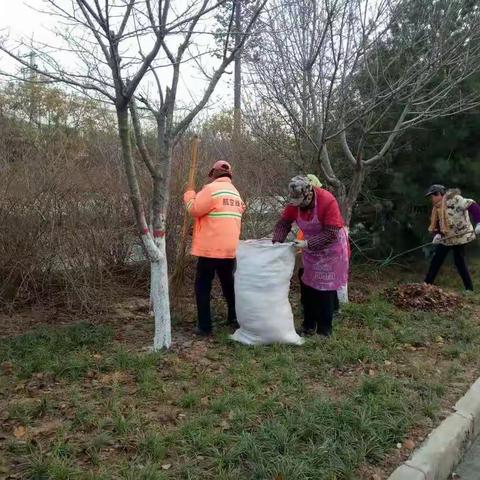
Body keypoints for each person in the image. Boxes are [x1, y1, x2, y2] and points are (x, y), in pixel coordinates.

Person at [272, 175, 349, 336]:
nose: (298, 206)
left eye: (301, 202)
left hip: (331, 249)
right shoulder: (295, 202)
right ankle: (308, 326)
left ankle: (324, 330)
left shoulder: (327, 200)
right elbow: (284, 222)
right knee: (308, 286)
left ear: (309, 194)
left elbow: (331, 233)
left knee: (324, 290)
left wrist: (308, 244)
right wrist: (277, 242)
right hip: (311, 250)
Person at [184, 161, 245, 336]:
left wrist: (189, 195)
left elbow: (194, 210)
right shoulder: (235, 193)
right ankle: (234, 318)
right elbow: (226, 215)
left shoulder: (210, 190)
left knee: (202, 286)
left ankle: (205, 327)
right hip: (230, 249)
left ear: (213, 174)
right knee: (229, 285)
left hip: (210, 249)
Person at [424, 184, 480, 292]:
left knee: (459, 262)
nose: (432, 199)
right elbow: (439, 223)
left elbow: (473, 206)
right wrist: (438, 234)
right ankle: (426, 285)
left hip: (460, 238)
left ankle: (469, 289)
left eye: (432, 196)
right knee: (436, 260)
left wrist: (479, 222)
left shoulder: (457, 199)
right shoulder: (437, 207)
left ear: (439, 194)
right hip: (446, 239)